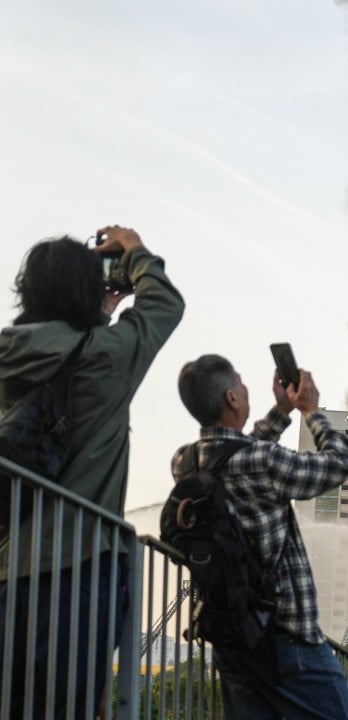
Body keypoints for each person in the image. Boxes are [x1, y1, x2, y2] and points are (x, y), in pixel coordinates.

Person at [0, 226, 184, 718]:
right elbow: (164, 305)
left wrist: (95, 310)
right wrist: (136, 250)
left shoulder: (9, 353)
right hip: (73, 573)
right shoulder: (105, 355)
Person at [172, 354, 348, 719]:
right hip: (287, 638)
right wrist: (310, 411)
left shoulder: (185, 462)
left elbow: (235, 454)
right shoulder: (262, 461)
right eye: (240, 383)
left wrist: (280, 411)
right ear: (231, 398)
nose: (245, 387)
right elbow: (340, 462)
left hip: (232, 640)